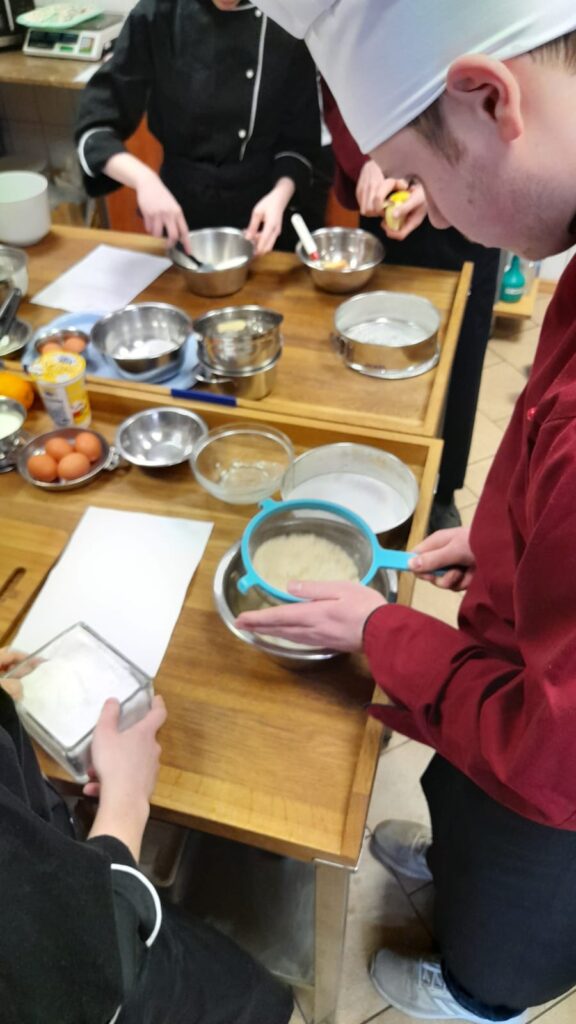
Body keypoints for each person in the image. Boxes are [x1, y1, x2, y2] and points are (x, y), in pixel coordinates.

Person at [238, 2, 576, 1022]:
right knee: (465, 807)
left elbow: (551, 752)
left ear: (489, 98)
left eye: (420, 176)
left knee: (514, 906)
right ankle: (454, 865)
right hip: (512, 672)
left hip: (552, 797)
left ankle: (479, 993)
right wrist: (507, 539)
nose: (438, 218)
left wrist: (382, 632)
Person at [0, 646, 293, 1023]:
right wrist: (126, 800)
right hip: (122, 982)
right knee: (242, 999)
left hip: (64, 878)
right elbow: (71, 969)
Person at [322, 84, 500, 531]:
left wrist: (432, 180)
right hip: (385, 196)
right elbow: (341, 91)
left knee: (459, 354)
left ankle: (443, 491)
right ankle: (374, 474)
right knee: (375, 347)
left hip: (467, 198)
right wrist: (368, 161)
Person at [75, 0, 321, 255]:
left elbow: (299, 140)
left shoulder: (286, 17)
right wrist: (144, 180)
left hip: (263, 217)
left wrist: (280, 196)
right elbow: (95, 127)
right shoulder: (158, 11)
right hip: (180, 211)